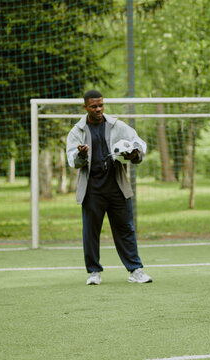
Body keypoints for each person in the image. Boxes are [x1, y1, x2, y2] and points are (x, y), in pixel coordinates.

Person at [66, 89, 152, 285]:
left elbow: (139, 143)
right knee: (90, 232)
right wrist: (81, 154)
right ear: (85, 107)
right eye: (94, 106)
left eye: (101, 105)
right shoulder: (77, 131)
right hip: (92, 189)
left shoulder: (116, 125)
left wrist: (134, 153)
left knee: (126, 229)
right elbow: (72, 160)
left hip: (117, 187)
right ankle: (94, 272)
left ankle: (135, 270)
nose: (98, 109)